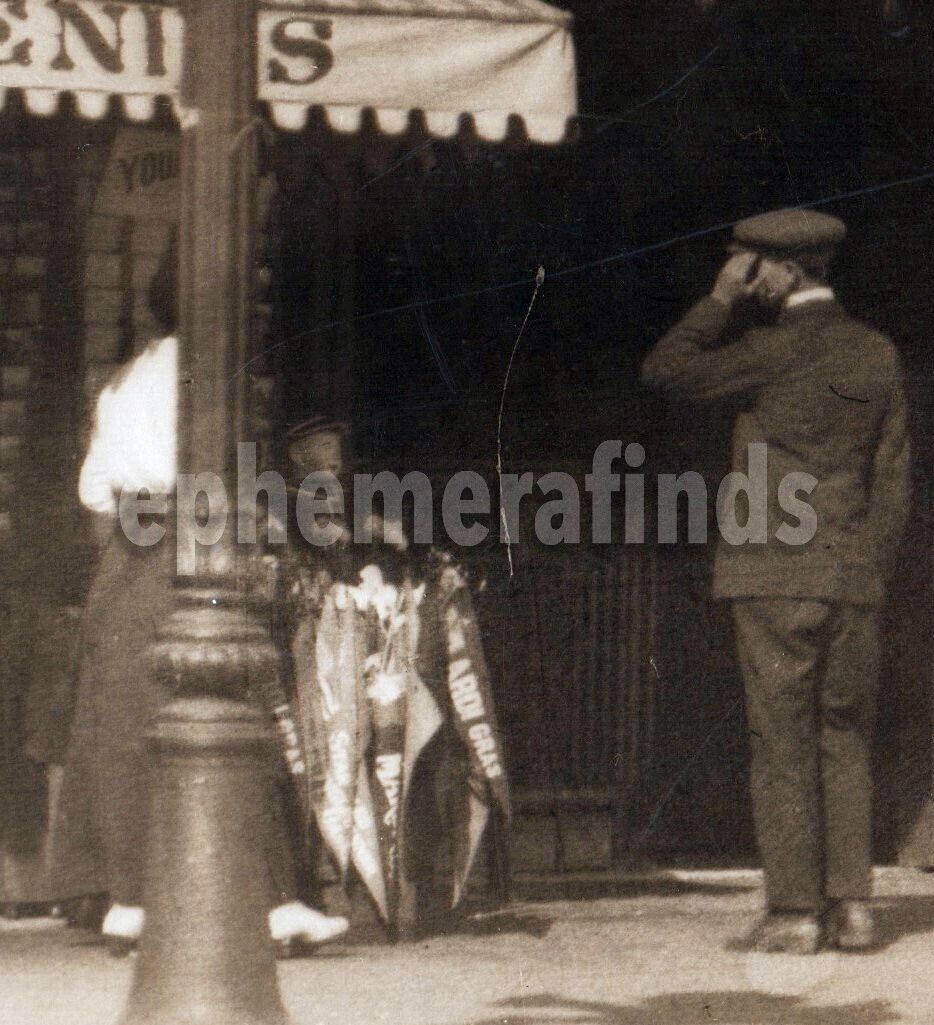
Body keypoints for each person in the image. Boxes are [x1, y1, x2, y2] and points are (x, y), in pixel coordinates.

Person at [51, 237, 348, 955]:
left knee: (129, 727)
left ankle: (131, 899)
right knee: (228, 713)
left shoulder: (126, 378)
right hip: (186, 553)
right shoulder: (204, 372)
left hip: (126, 558)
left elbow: (95, 486)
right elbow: (218, 474)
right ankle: (269, 905)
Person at [641, 208, 911, 953]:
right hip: (852, 576)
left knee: (781, 739)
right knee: (844, 736)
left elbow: (664, 370)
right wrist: (867, 568)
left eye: (749, 263)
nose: (742, 273)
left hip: (774, 571)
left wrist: (720, 298)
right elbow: (893, 479)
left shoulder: (767, 348)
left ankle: (794, 910)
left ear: (786, 270)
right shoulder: (877, 352)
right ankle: (853, 907)